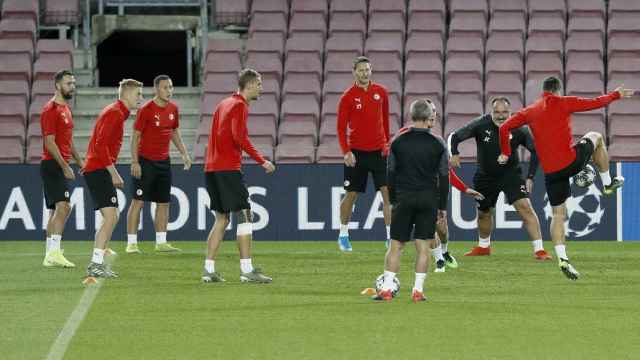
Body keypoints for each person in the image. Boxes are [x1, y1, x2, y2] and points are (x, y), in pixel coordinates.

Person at [498, 76, 634, 280]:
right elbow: (594, 103)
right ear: (558, 90)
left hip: (552, 173)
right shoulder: (564, 102)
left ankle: (563, 258)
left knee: (558, 215)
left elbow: (503, 128)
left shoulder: (530, 111)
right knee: (596, 136)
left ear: (543, 91)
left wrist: (506, 152)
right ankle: (607, 183)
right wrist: (615, 95)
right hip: (571, 162)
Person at [449, 97, 551, 260]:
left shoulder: (519, 127)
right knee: (483, 213)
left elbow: (535, 150)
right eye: (497, 112)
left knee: (525, 207)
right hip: (485, 176)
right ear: (491, 112)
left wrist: (530, 177)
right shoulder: (480, 124)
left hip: (511, 175)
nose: (501, 116)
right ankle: (483, 247)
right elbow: (455, 137)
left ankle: (539, 250)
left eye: (504, 112)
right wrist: (454, 153)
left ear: (510, 112)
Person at [202, 68, 276, 284]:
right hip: (227, 168)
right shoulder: (239, 105)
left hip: (212, 167)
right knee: (244, 214)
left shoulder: (223, 104)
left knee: (222, 218)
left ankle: (208, 270)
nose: (261, 88)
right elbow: (239, 137)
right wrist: (262, 160)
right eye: (259, 84)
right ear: (250, 84)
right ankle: (247, 269)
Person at [373, 99, 449, 302]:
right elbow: (443, 177)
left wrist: (393, 199)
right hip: (428, 199)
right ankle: (417, 291)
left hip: (404, 198)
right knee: (423, 246)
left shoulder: (398, 141)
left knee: (396, 244)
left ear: (412, 116)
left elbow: (390, 173)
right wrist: (442, 207)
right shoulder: (438, 143)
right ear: (428, 118)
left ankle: (387, 289)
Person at [395, 104, 485, 273]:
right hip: (416, 190)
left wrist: (464, 189)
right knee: (428, 226)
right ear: (423, 115)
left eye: (435, 112)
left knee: (441, 228)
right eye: (431, 112)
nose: (434, 116)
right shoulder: (403, 136)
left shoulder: (436, 141)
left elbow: (446, 172)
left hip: (435, 191)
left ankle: (444, 251)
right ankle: (439, 261)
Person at [83, 79, 143, 278]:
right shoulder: (116, 113)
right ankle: (96, 263)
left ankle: (99, 259)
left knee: (111, 216)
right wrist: (114, 173)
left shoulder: (117, 112)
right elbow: (100, 146)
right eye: (138, 95)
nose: (140, 99)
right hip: (98, 169)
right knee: (111, 216)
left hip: (98, 168)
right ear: (126, 94)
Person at [125, 75, 192, 254]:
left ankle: (161, 242)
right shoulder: (146, 109)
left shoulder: (173, 109)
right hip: (145, 161)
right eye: (165, 88)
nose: (169, 91)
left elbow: (174, 132)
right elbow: (135, 136)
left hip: (164, 162)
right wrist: (134, 161)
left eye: (170, 87)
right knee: (138, 202)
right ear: (156, 89)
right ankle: (131, 243)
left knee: (163, 202)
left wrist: (184, 154)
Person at [336, 56, 392, 251]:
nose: (364, 73)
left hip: (379, 152)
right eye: (361, 70)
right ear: (354, 72)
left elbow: (385, 121)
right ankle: (343, 234)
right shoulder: (347, 97)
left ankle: (389, 237)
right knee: (351, 194)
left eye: (367, 69)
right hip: (357, 154)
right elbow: (340, 128)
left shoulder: (381, 93)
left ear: (371, 70)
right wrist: (346, 151)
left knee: (387, 194)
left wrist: (387, 144)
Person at [40, 70, 83, 268]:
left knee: (55, 210)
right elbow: (49, 142)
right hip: (53, 165)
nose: (72, 86)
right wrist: (65, 166)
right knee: (64, 206)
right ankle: (54, 252)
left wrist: (80, 161)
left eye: (73, 83)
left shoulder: (66, 109)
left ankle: (50, 254)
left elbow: (67, 140)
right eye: (68, 83)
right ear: (58, 85)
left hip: (58, 164)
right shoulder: (51, 109)